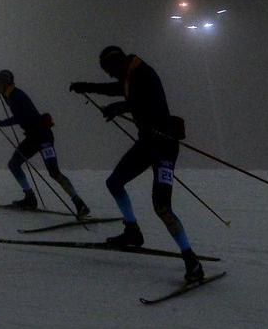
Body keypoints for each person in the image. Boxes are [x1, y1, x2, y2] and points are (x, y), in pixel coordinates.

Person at [69, 45, 204, 282]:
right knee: (114, 183)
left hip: (164, 146)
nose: (109, 75)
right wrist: (86, 87)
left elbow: (146, 103)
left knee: (162, 207)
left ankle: (191, 261)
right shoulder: (129, 74)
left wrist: (120, 107)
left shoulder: (144, 73)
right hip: (147, 145)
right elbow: (117, 90)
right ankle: (132, 231)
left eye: (108, 70)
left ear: (117, 63)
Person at [0, 70, 90, 217]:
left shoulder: (16, 96)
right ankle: (32, 198)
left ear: (5, 83)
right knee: (16, 165)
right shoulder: (12, 93)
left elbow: (19, 117)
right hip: (37, 137)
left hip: (41, 137)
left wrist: (1, 123)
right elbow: (11, 102)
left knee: (51, 171)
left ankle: (78, 203)